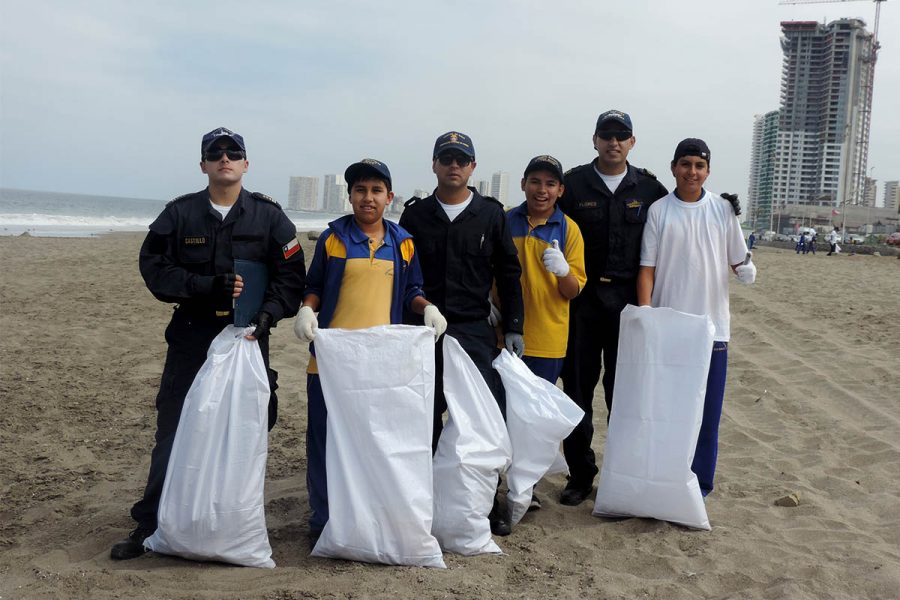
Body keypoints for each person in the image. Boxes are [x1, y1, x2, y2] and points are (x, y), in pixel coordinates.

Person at [111, 127, 306, 560]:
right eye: (214, 153)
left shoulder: (270, 217)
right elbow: (154, 269)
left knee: (249, 426)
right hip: (193, 337)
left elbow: (292, 278)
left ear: (246, 163)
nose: (224, 158)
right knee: (174, 426)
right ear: (203, 165)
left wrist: (269, 312)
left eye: (233, 152)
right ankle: (150, 523)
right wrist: (204, 286)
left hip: (248, 340)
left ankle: (228, 517)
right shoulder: (179, 215)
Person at [293, 158, 447, 546]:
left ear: (389, 197)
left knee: (374, 442)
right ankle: (324, 520)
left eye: (376, 190)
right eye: (360, 190)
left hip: (379, 364)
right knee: (325, 440)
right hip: (330, 361)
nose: (368, 197)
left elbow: (412, 291)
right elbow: (314, 286)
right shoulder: (333, 239)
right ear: (350, 196)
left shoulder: (403, 242)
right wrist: (307, 309)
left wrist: (426, 307)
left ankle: (370, 514)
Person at [399, 131, 524, 535]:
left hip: (474, 331)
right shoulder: (416, 216)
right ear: (434, 164)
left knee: (480, 419)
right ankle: (424, 501)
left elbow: (508, 273)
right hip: (424, 330)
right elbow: (403, 275)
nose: (454, 165)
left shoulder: (490, 214)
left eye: (462, 159)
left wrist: (514, 326)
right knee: (425, 417)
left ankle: (486, 504)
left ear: (472, 167)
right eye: (446, 158)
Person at [555, 110, 669, 506]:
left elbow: (672, 234)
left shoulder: (651, 189)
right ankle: (580, 474)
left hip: (629, 304)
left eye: (622, 136)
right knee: (578, 393)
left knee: (626, 394)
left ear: (632, 143)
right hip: (581, 303)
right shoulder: (570, 185)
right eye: (607, 135)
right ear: (595, 140)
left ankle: (623, 473)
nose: (614, 142)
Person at [636, 138, 757, 497]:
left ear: (707, 171)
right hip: (668, 325)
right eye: (686, 164)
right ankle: (665, 475)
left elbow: (739, 260)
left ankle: (700, 485)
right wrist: (645, 314)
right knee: (666, 409)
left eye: (699, 166)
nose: (692, 172)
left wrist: (748, 270)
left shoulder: (722, 210)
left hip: (712, 329)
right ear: (674, 167)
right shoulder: (659, 210)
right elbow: (647, 269)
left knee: (707, 415)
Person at [505, 155, 586, 384]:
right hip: (504, 336)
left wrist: (563, 272)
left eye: (550, 184)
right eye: (535, 181)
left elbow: (572, 291)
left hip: (547, 342)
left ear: (560, 190)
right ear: (523, 184)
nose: (542, 190)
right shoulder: (505, 221)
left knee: (537, 415)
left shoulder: (569, 230)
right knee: (500, 413)